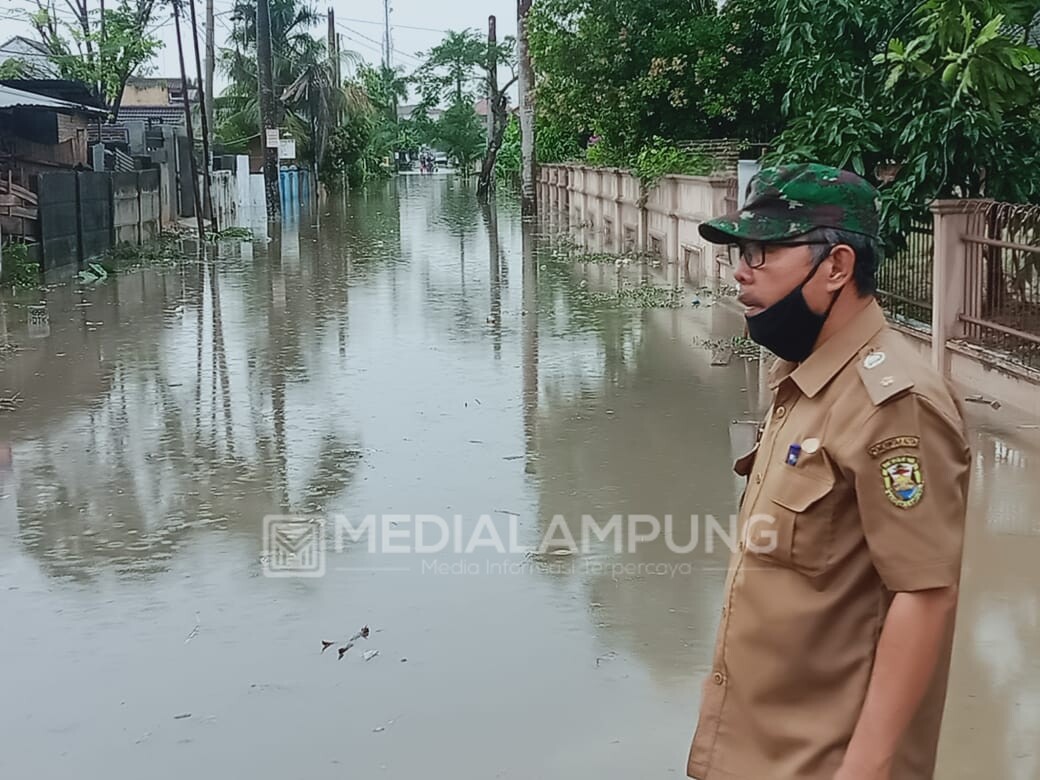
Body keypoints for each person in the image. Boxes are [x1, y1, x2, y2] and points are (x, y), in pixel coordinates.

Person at [686, 163, 971, 780]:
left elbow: (924, 593)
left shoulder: (894, 404)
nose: (741, 270)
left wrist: (865, 768)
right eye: (740, 252)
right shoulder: (802, 378)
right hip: (759, 750)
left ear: (837, 267)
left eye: (761, 253)